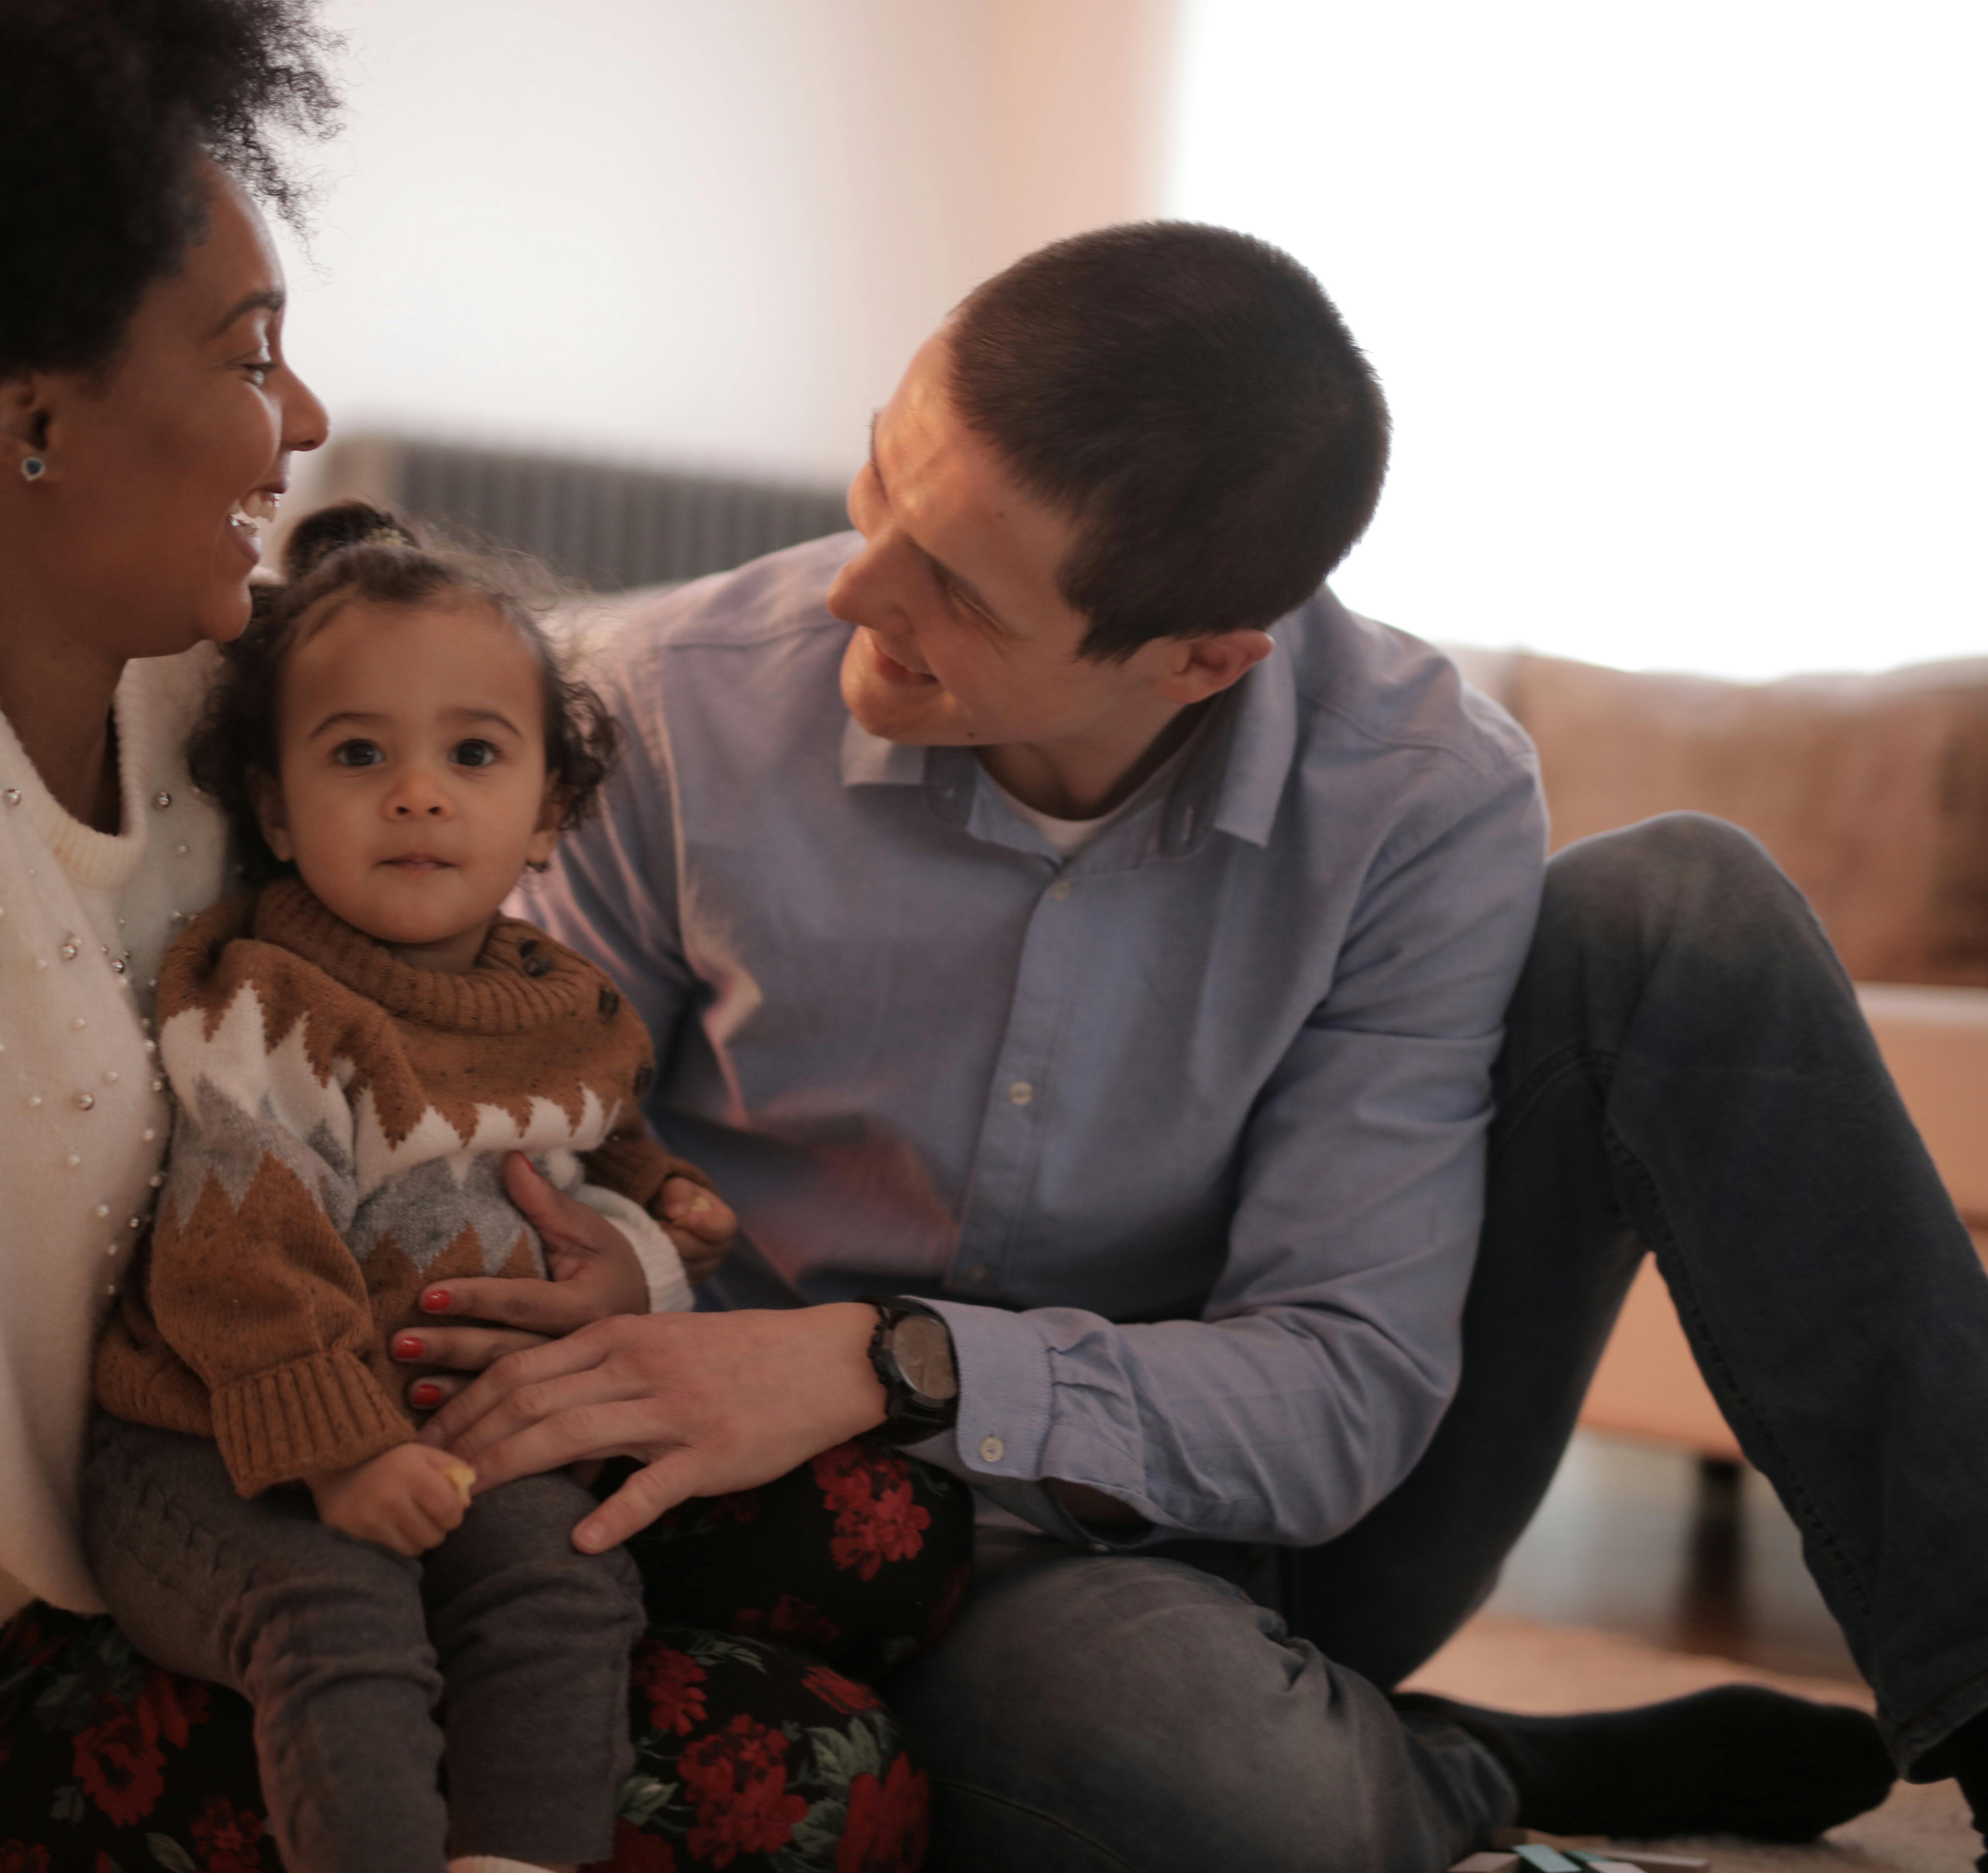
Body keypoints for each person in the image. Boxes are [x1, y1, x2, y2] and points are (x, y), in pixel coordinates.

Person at [0, 4, 951, 1870]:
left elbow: (463, 1040)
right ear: (34, 420)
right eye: (248, 353)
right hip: (9, 1651)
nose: (296, 419)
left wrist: (607, 1250)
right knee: (830, 1781)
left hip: (346, 1457)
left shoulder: (223, 687)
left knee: (885, 1538)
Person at [391, 221, 1988, 1870]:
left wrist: (895, 1355)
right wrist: (614, 1280)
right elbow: (532, 1179)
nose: (853, 586)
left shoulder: (1419, 795)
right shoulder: (657, 711)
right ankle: (1455, 1769)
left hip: (1261, 1513)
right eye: (883, 482)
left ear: (1207, 656)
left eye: (957, 585)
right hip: (821, 1531)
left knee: (1685, 908)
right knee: (1229, 1797)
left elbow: (1345, 1393)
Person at [83, 501, 739, 1873]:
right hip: (223, 1443)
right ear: (273, 802)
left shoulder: (565, 1001)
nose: (418, 792)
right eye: (359, 754)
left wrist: (669, 1205)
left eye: (474, 754)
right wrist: (343, 1454)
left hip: (445, 1425)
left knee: (565, 1588)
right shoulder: (265, 1000)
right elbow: (239, 1253)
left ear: (548, 807)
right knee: (341, 1606)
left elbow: (599, 1139)